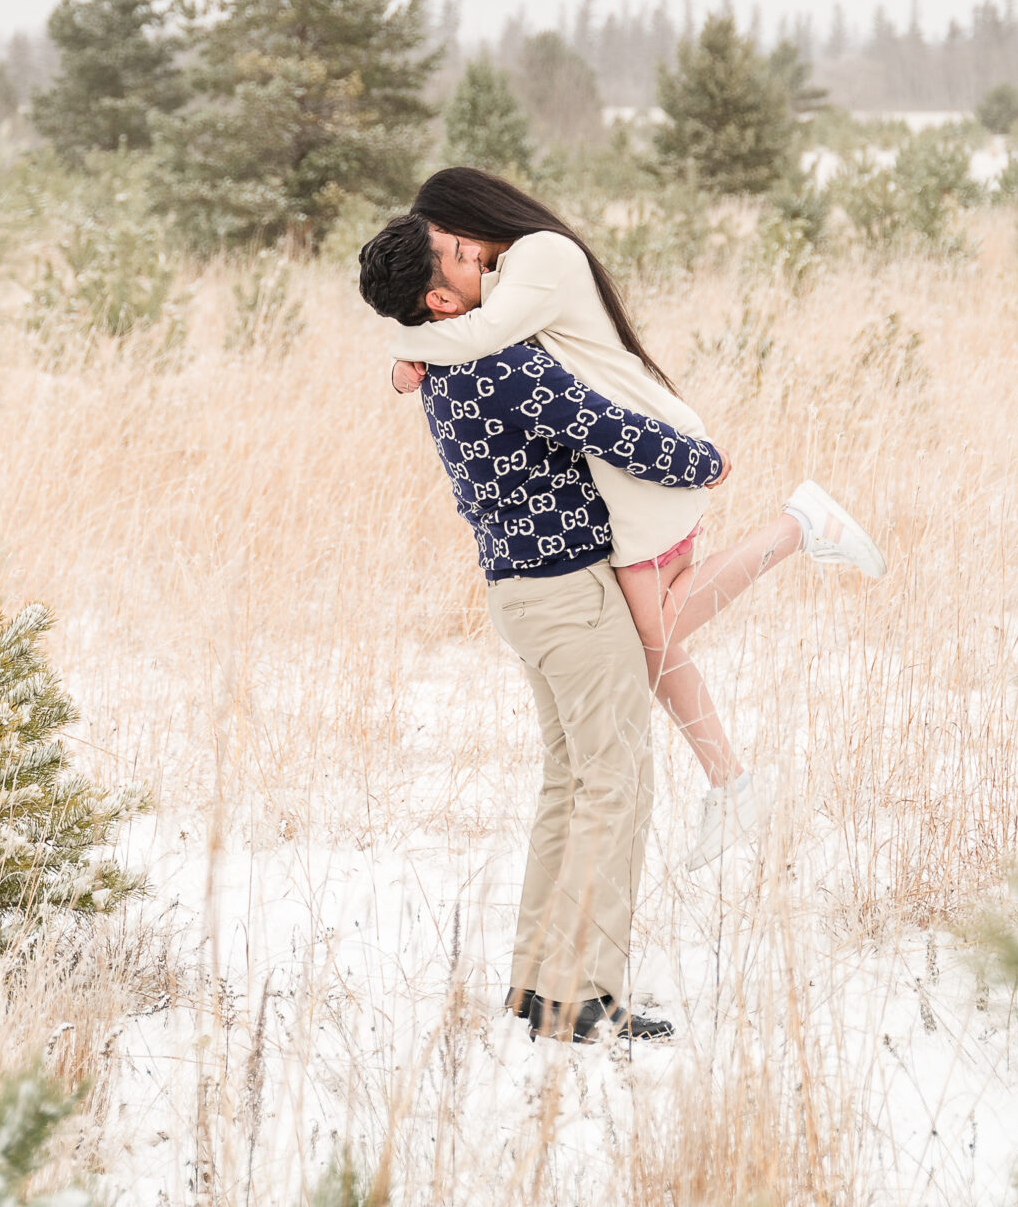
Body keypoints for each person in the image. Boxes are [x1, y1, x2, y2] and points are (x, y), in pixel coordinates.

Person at [360, 168, 887, 875]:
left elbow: (476, 333)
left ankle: (797, 526)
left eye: (459, 243)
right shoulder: (509, 271)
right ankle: (733, 784)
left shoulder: (539, 256)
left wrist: (404, 352)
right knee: (655, 647)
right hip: (623, 461)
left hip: (642, 450)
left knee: (656, 635)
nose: (471, 256)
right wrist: (405, 353)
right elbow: (468, 330)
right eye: (456, 253)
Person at [357, 231, 725, 1044]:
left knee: (570, 785)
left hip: (518, 594)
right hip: (571, 594)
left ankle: (537, 982)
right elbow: (609, 429)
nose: (481, 260)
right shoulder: (505, 365)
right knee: (615, 786)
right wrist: (703, 460)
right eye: (458, 260)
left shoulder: (442, 368)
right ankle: (579, 997)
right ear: (442, 302)